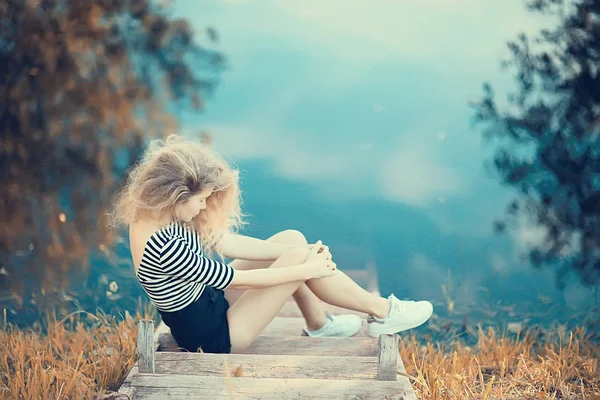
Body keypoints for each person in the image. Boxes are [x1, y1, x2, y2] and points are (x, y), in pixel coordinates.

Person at [111, 134, 433, 354]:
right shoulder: (164, 246)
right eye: (201, 200)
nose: (203, 208)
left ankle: (319, 324)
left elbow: (224, 242)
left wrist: (303, 256)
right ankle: (383, 312)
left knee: (293, 241)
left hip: (208, 303)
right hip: (212, 337)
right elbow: (240, 279)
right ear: (177, 194)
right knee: (296, 262)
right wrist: (305, 267)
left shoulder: (153, 215)